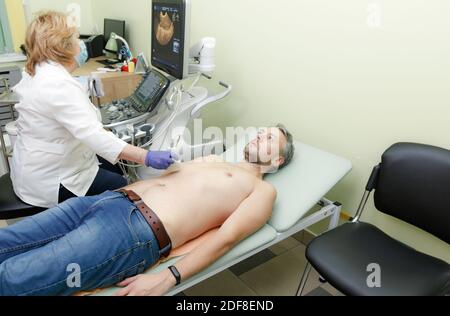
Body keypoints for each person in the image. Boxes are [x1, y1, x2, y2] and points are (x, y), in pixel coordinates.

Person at [0, 125, 295, 296]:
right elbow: (168, 178)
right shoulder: (215, 159)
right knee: (9, 241)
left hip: (132, 231)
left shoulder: (262, 191)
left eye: (269, 139)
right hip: (104, 201)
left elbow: (225, 239)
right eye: (261, 132)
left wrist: (168, 277)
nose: (259, 136)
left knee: (16, 277)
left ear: (278, 160)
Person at [10, 11, 175, 208]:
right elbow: (93, 135)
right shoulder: (57, 84)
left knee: (115, 166)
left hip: (35, 168)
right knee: (125, 187)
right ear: (62, 47)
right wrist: (146, 156)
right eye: (76, 38)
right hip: (53, 180)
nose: (80, 45)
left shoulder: (37, 71)